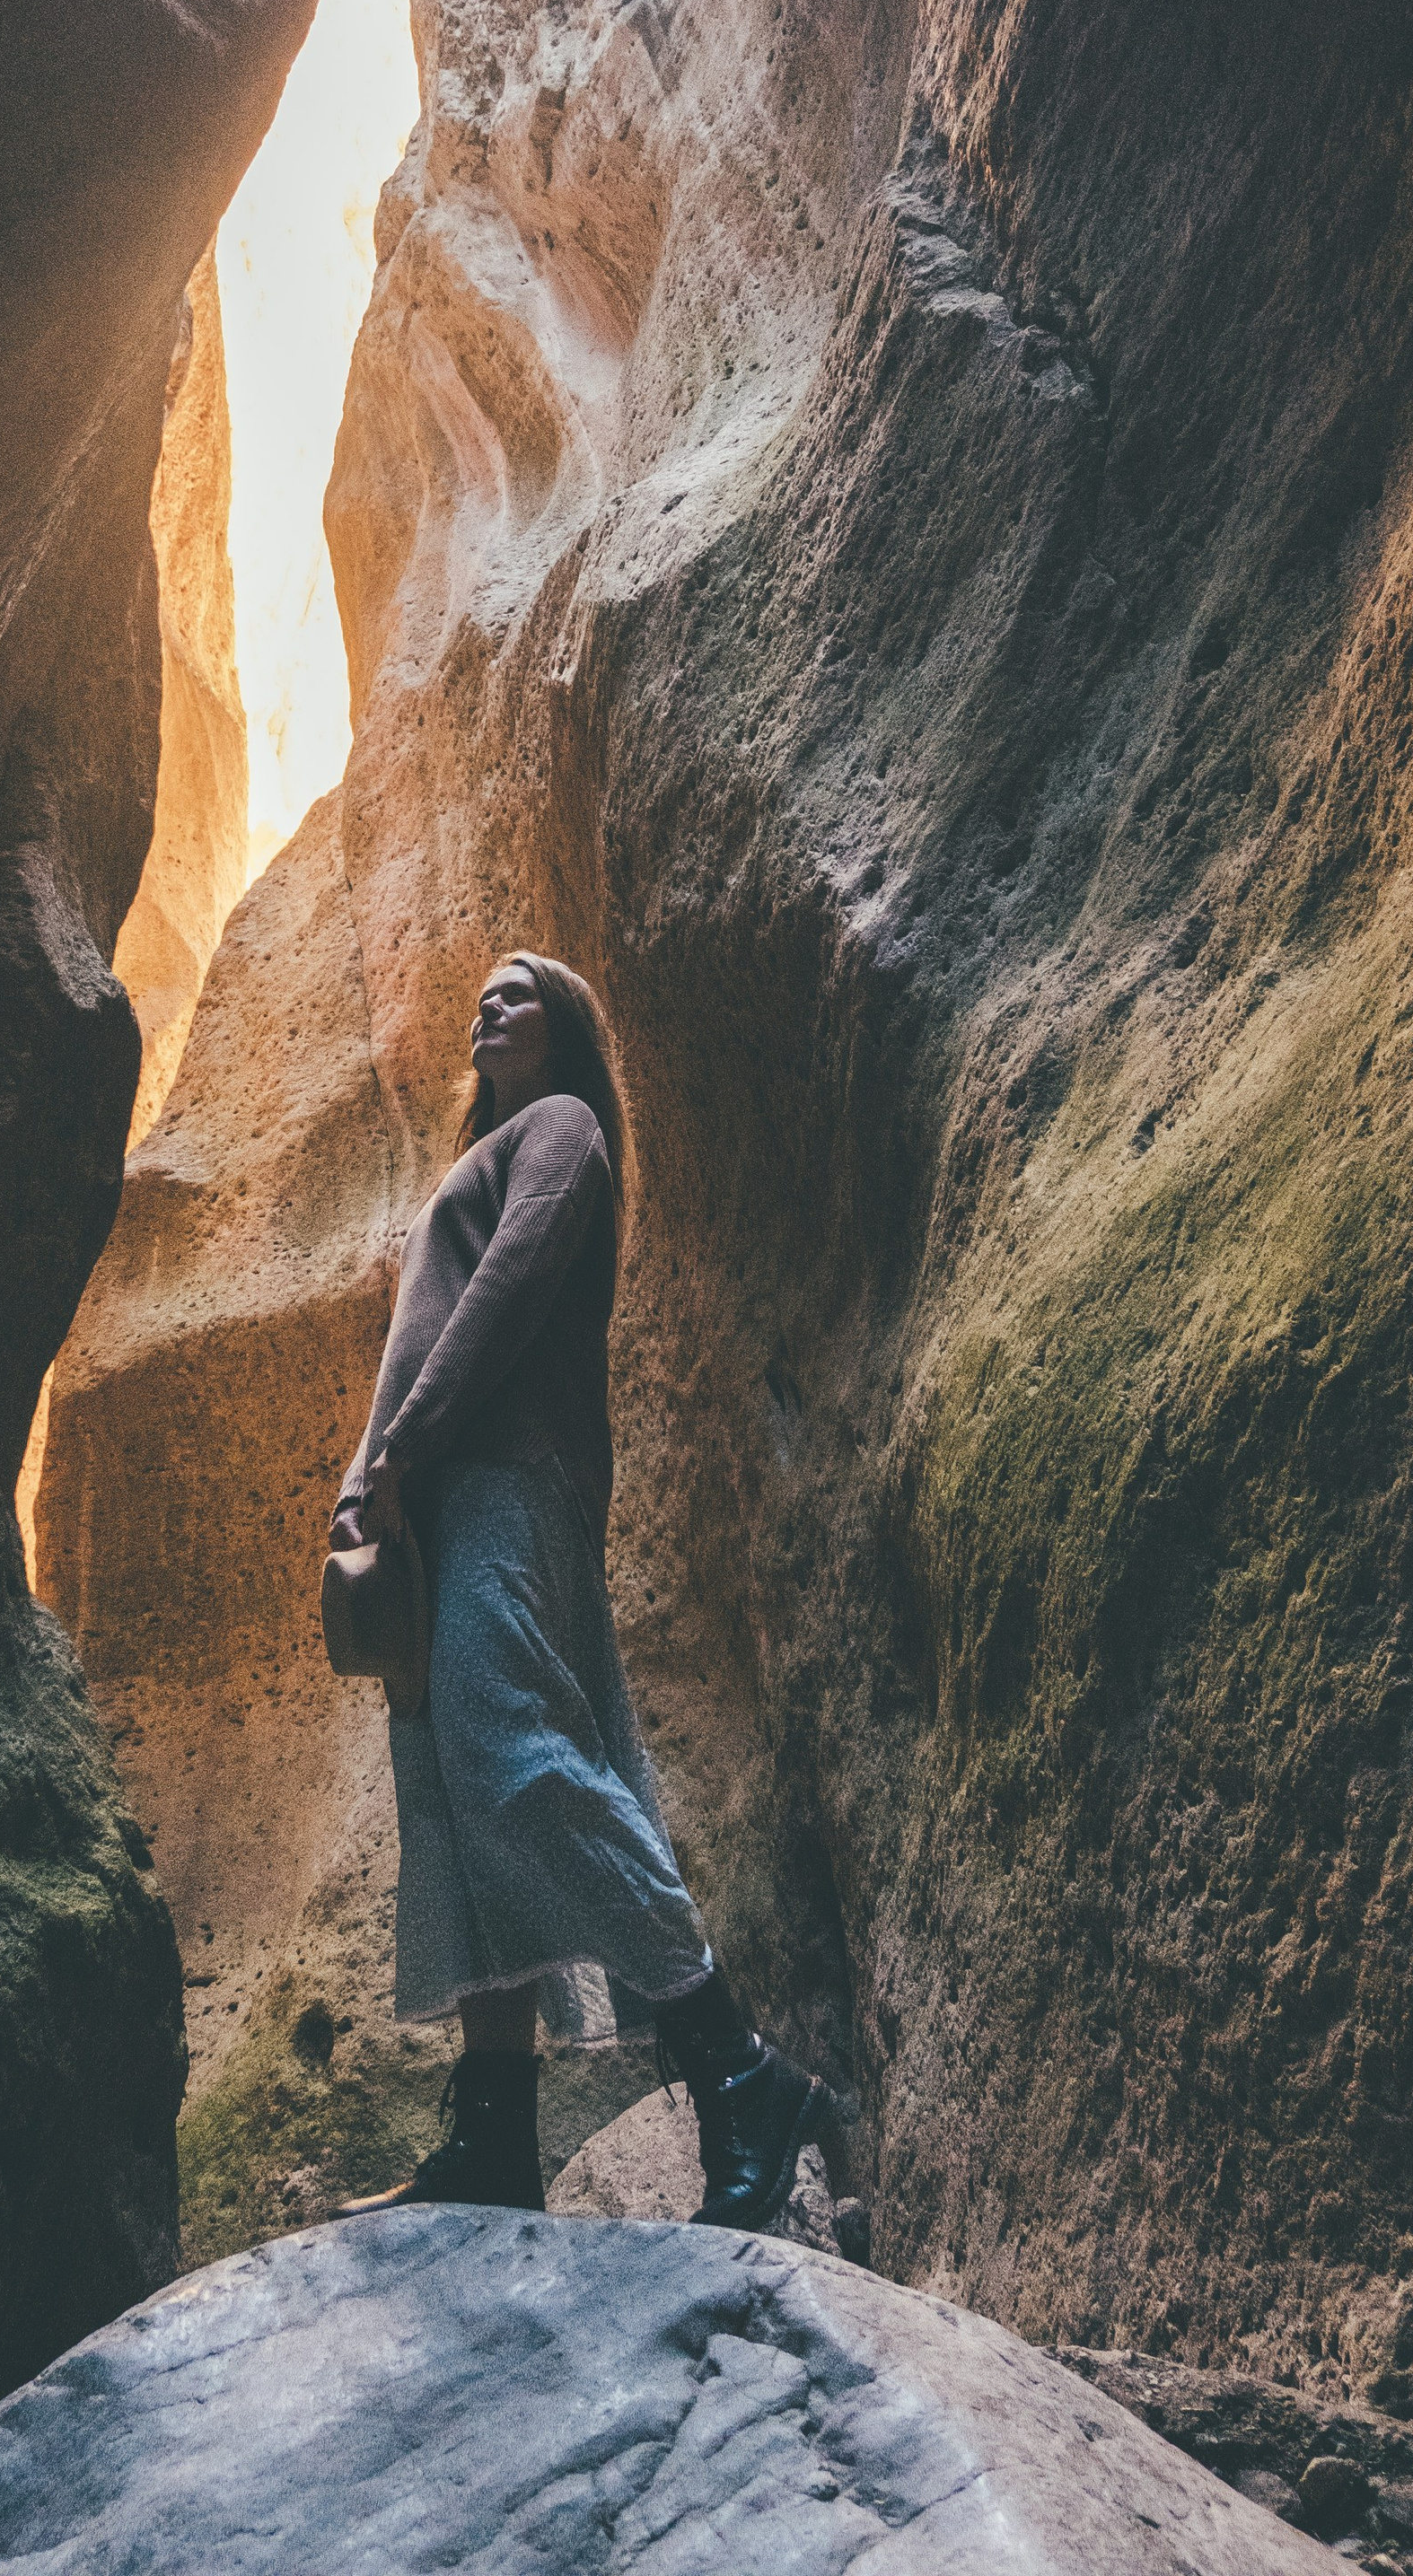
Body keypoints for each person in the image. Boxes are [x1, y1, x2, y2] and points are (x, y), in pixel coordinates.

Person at [329, 951, 827, 2226]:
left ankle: (736, 2067)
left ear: (569, 1027)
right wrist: (370, 1482)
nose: (488, 1010)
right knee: (456, 1810)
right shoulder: (486, 1155)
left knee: (516, 1762)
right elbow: (424, 1333)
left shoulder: (564, 1128)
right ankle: (494, 2142)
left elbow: (501, 1298)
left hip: (499, 1484)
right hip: (441, 1511)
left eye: (518, 992)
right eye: (480, 1001)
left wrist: (404, 1450)